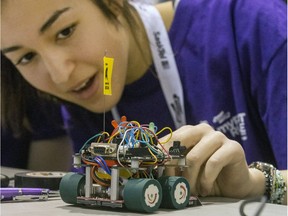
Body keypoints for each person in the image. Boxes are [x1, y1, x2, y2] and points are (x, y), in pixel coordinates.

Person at [1, 0, 287, 204]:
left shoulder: (253, 24)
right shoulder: (86, 90)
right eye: (26, 57)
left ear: (114, 4)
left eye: (65, 31)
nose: (61, 74)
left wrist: (256, 183)